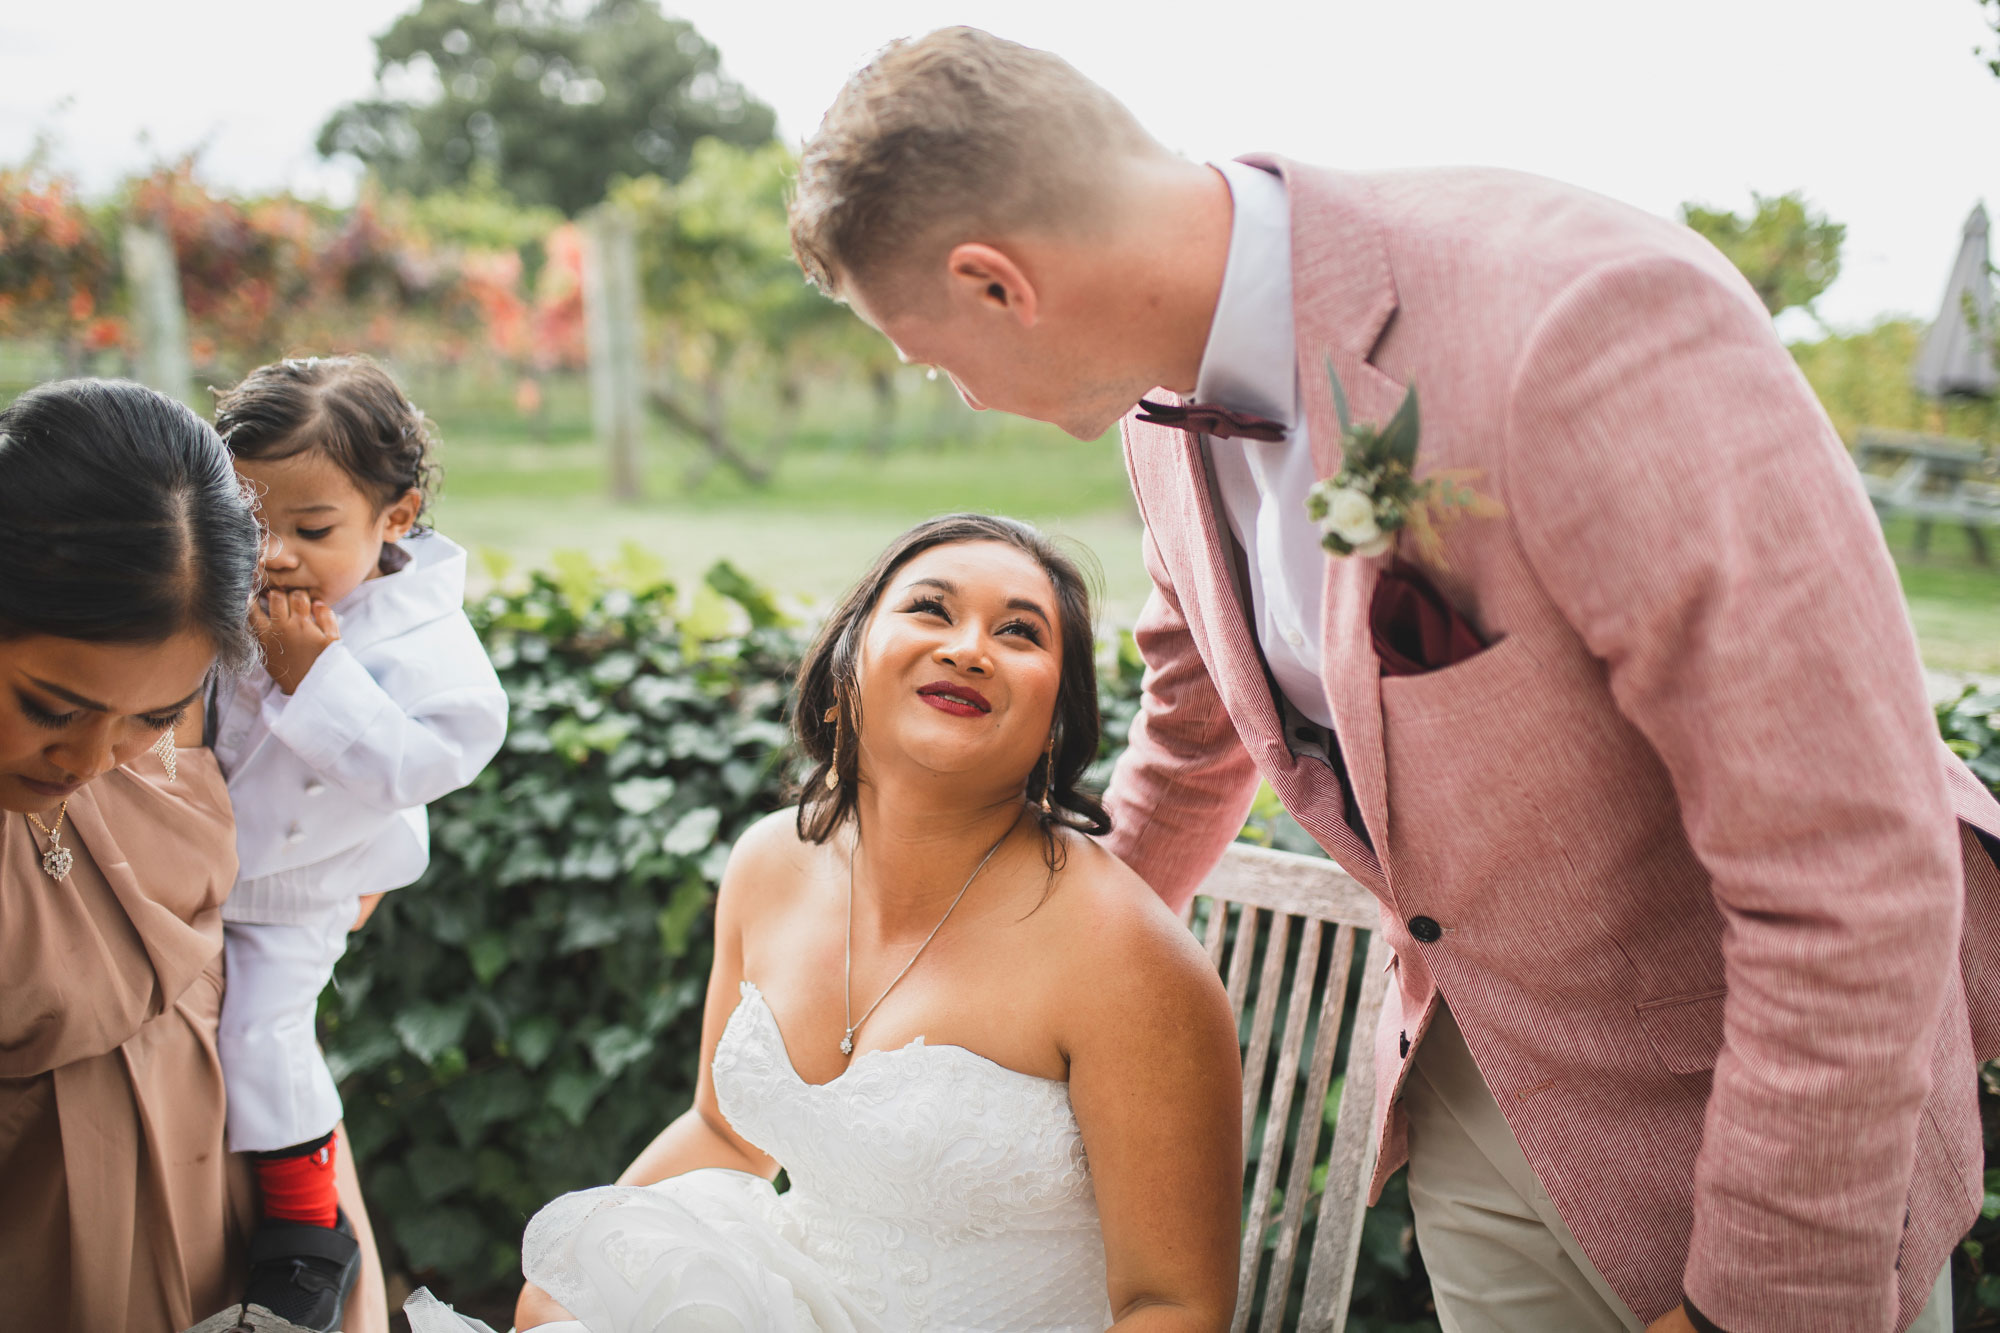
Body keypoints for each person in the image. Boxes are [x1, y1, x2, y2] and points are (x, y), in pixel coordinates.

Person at [787, 28, 2000, 1333]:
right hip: (1472, 1074)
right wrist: (1032, 987)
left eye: (924, 353)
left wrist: (1759, 1309)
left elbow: (1849, 865)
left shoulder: (1584, 320)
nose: (954, 393)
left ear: (996, 284)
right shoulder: (1160, 413)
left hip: (1752, 1102)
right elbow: (1203, 724)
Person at [449, 514, 1242, 1333]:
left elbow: (1175, 1305)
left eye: (1018, 631)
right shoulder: (770, 863)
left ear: (1056, 722)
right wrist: (587, 1261)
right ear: (844, 668)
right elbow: (722, 1134)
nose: (969, 647)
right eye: (931, 609)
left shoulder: (1125, 955)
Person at [208, 355, 509, 1329]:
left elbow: (423, 764)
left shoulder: (423, 639)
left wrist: (315, 677)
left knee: (261, 1029)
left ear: (398, 514)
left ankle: (305, 1229)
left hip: (301, 889)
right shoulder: (222, 586)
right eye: (247, 523)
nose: (274, 553)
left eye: (310, 528)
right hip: (197, 867)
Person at [0, 378, 255, 1328]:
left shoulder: (194, 732)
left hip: (232, 1231)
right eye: (50, 708)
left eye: (152, 716)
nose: (91, 760)